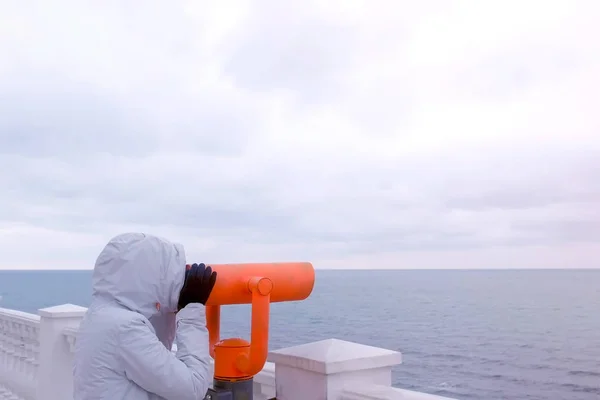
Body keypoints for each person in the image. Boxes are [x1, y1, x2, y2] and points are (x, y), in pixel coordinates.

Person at [73, 232, 217, 400]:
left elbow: (154, 360)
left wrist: (169, 306)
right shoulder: (125, 329)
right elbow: (193, 387)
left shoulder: (99, 316)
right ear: (152, 277)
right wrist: (192, 308)